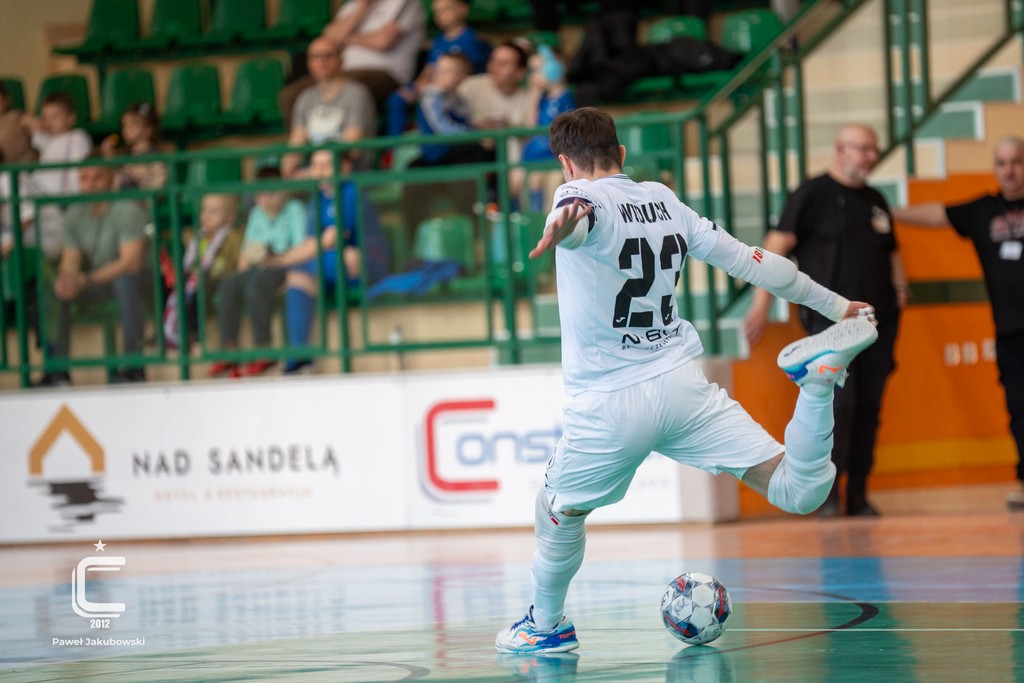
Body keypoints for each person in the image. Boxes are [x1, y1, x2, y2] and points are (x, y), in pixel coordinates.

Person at [494, 107, 879, 654]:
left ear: (565, 164)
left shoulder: (575, 196)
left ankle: (546, 624)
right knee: (799, 491)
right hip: (682, 387)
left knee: (557, 510)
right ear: (621, 154)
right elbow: (756, 262)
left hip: (610, 403)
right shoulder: (665, 200)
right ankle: (815, 385)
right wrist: (836, 306)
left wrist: (564, 222)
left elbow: (577, 212)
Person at [743, 123, 907, 517]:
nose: (871, 157)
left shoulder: (875, 198)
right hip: (828, 326)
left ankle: (858, 495)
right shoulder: (811, 194)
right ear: (841, 149)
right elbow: (776, 247)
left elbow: (892, 250)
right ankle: (826, 496)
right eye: (863, 149)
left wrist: (901, 289)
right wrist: (760, 303)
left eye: (874, 149)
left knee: (869, 408)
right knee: (837, 406)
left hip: (878, 323)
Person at [892, 135, 1024, 510]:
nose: (1009, 170)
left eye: (1016, 161)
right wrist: (889, 211)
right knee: (1019, 408)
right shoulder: (983, 210)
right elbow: (937, 214)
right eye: (1001, 162)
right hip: (1010, 330)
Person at [265, 149, 389, 375]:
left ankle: (301, 356)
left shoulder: (351, 193)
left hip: (367, 265)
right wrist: (282, 262)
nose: (320, 171)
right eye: (315, 165)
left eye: (327, 165)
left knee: (325, 261)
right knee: (297, 278)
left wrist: (277, 262)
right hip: (331, 264)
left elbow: (328, 241)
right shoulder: (317, 199)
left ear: (345, 168)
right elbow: (311, 243)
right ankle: (300, 357)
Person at [37, 162, 150, 386]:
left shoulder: (127, 209)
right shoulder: (75, 213)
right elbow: (70, 259)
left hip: (143, 280)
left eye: (97, 177)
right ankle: (57, 371)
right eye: (84, 178)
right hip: (99, 281)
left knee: (124, 282)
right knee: (54, 290)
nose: (90, 185)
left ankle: (134, 366)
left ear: (111, 179)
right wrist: (68, 279)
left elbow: (130, 263)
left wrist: (85, 279)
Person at [210, 167, 307, 378]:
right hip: (260, 267)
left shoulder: (295, 209)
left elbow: (301, 249)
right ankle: (229, 349)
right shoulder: (256, 213)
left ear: (283, 191)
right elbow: (247, 254)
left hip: (286, 266)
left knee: (257, 285)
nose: (266, 200)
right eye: (261, 195)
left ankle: (264, 350)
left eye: (272, 193)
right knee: (229, 285)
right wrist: (243, 271)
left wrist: (273, 258)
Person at [384, 0, 491, 137]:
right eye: (437, 12)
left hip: (454, 87)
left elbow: (470, 71)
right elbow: (430, 67)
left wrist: (433, 84)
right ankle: (395, 144)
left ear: (463, 9)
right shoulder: (438, 40)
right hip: (434, 83)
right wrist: (418, 85)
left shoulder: (471, 38)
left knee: (431, 96)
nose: (441, 15)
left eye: (446, 9)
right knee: (397, 99)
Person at [282, 36, 376, 177]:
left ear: (341, 59)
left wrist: (316, 171)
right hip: (316, 171)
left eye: (328, 55)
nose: (322, 61)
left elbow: (351, 148)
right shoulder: (305, 98)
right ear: (309, 63)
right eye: (316, 57)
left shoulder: (356, 94)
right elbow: (296, 143)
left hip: (351, 173)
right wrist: (288, 170)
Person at [163, 194, 243, 351]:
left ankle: (193, 330)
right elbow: (189, 263)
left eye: (213, 212)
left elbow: (233, 265)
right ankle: (168, 330)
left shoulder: (233, 237)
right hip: (196, 280)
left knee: (199, 287)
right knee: (176, 285)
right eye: (204, 210)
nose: (206, 216)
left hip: (220, 280)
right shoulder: (198, 238)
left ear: (230, 217)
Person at [22, 92, 93, 263]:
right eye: (46, 117)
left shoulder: (77, 137)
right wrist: (36, 123)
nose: (50, 122)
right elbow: (29, 124)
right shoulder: (48, 141)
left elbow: (79, 168)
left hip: (64, 199)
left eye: (55, 116)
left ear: (70, 118)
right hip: (43, 197)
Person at [321, 0, 427, 107]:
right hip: (346, 72)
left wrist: (346, 38)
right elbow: (329, 40)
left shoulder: (404, 3)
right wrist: (363, 6)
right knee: (312, 86)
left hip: (387, 74)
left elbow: (382, 41)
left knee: (345, 88)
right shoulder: (353, 5)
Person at [517, 44, 575, 212]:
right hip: (533, 158)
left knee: (541, 181)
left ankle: (543, 220)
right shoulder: (543, 100)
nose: (532, 76)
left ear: (554, 69)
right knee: (520, 180)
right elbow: (529, 129)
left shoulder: (565, 97)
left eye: (537, 70)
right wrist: (533, 96)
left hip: (551, 158)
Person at [411, 52, 491, 167]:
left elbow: (465, 119)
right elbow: (442, 127)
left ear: (462, 77)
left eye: (447, 72)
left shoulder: (456, 97)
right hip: (436, 150)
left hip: (451, 145)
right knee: (477, 149)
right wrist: (475, 136)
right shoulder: (431, 96)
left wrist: (480, 126)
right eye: (438, 70)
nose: (440, 75)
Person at [99, 101, 167, 191]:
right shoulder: (124, 157)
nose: (126, 129)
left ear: (149, 129)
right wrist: (109, 157)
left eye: (133, 124)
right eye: (124, 125)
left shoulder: (156, 159)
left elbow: (156, 188)